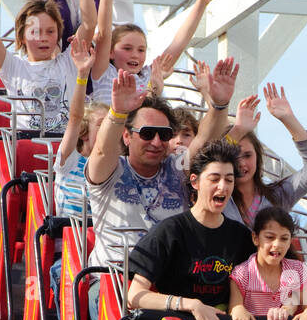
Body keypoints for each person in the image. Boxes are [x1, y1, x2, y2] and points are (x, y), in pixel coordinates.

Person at [125, 140, 255, 320]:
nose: (222, 187)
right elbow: (134, 296)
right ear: (195, 182)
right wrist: (191, 305)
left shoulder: (241, 237)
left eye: (229, 180)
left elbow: (246, 286)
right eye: (215, 179)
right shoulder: (170, 231)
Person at [83, 57, 238, 285]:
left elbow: (206, 139)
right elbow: (101, 153)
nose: (156, 142)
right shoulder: (111, 169)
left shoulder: (175, 168)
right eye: (147, 133)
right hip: (115, 283)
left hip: (169, 283)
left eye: (164, 134)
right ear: (126, 136)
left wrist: (220, 105)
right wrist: (117, 113)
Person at [0, 0, 112, 134]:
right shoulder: (13, 67)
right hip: (26, 147)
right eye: (35, 32)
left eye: (50, 32)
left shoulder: (69, 62)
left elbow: (89, 24)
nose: (43, 38)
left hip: (63, 148)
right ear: (22, 36)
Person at [90, 0, 218, 106]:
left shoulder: (148, 76)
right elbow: (104, 33)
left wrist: (201, 2)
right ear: (110, 52)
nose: (135, 55)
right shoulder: (103, 73)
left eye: (141, 50)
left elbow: (179, 43)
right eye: (127, 48)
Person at [48, 33, 107, 308]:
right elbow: (73, 117)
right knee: (65, 276)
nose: (109, 131)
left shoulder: (117, 167)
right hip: (72, 248)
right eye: (102, 125)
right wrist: (82, 75)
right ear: (85, 132)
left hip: (104, 250)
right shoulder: (70, 160)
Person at [223, 83, 307, 228]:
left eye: (247, 155)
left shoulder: (277, 196)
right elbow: (204, 165)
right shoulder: (216, 198)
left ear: (258, 157)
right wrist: (237, 130)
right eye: (233, 156)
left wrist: (289, 120)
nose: (241, 163)